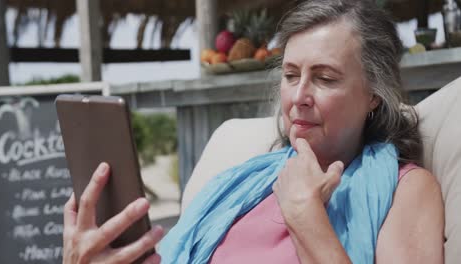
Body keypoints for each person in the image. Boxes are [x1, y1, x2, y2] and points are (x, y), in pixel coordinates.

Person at [63, 0, 445, 263]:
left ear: (374, 95)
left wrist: (304, 215)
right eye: (291, 75)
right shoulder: (241, 184)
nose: (299, 96)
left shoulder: (405, 189)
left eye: (325, 78)